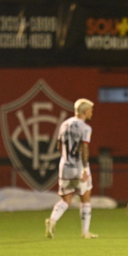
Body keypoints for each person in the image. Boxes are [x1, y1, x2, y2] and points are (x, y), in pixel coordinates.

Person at [45, 98, 98, 239]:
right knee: (85, 198)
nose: (92, 113)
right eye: (91, 111)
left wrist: (67, 160)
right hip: (79, 167)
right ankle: (85, 232)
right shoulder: (85, 128)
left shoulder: (64, 125)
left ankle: (52, 220)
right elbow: (84, 149)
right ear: (85, 111)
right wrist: (85, 169)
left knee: (65, 200)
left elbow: (58, 146)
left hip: (65, 167)